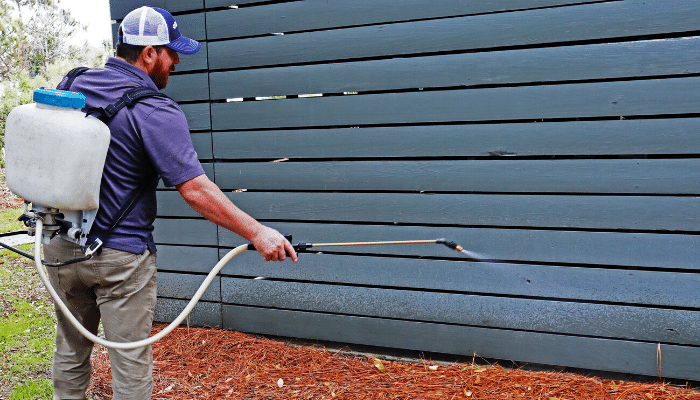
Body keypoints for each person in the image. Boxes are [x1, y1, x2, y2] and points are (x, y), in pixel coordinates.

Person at [45, 6, 297, 399]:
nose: (176, 60)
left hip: (62, 248)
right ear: (148, 53)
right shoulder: (155, 108)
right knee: (129, 366)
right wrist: (259, 233)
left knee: (70, 352)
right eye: (170, 51)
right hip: (120, 260)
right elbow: (195, 189)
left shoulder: (74, 82)